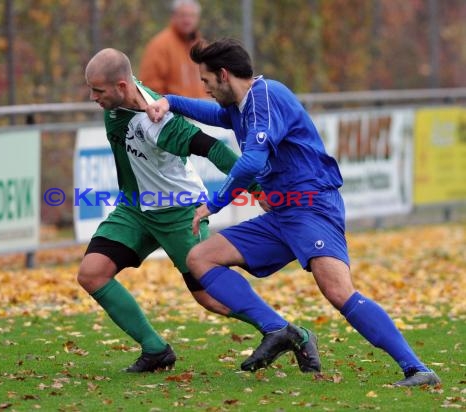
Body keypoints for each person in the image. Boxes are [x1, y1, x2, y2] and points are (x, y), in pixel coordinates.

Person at [146, 38, 441, 387]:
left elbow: (251, 162)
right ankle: (279, 330)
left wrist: (215, 202)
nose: (206, 89)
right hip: (283, 214)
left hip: (312, 206)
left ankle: (417, 369)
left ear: (224, 75)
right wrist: (169, 102)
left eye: (207, 82)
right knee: (201, 258)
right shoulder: (241, 104)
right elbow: (214, 115)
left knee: (338, 292)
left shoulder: (266, 97)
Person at [78, 48, 320, 373]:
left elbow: (214, 149)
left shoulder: (157, 122)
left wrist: (257, 189)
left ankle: (290, 333)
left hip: (179, 213)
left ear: (122, 86)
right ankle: (155, 350)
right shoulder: (121, 96)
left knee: (210, 299)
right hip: (134, 210)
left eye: (98, 91)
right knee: (91, 274)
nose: (93, 97)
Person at [138, 0, 208, 98]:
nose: (187, 20)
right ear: (173, 17)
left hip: (202, 109)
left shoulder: (201, 45)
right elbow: (150, 86)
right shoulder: (160, 45)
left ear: (198, 18)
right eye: (183, 15)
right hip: (172, 110)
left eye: (192, 16)